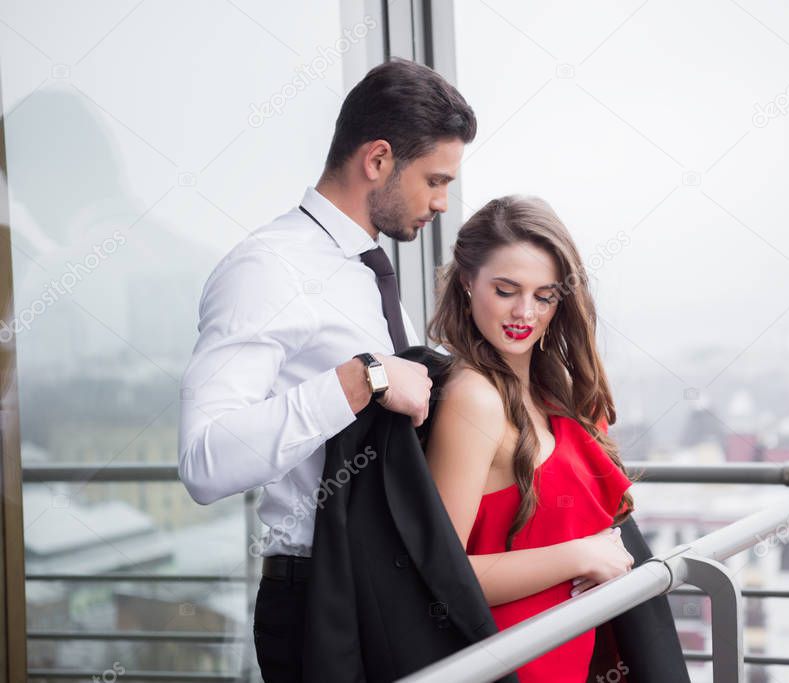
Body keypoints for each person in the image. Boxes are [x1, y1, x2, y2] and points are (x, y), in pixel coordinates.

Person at [176, 58, 476, 682]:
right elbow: (205, 462)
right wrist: (360, 379)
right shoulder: (266, 268)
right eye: (435, 180)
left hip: (387, 591)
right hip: (317, 601)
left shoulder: (366, 272)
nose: (443, 203)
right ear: (378, 159)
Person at [424, 195, 638, 682]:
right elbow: (442, 575)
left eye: (544, 296)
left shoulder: (554, 389)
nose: (525, 312)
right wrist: (582, 554)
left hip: (569, 653)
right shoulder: (472, 399)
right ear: (466, 280)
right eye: (506, 290)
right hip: (509, 662)